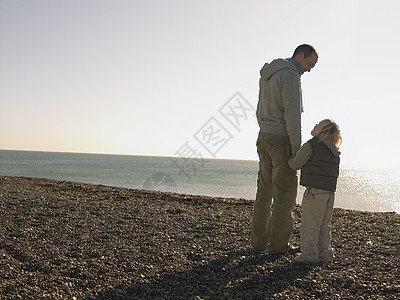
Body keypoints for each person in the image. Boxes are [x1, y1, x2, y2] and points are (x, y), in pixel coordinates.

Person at [251, 44, 318, 254]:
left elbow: (259, 107)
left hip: (263, 136)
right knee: (285, 193)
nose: (310, 69)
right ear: (300, 56)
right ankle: (278, 245)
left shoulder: (268, 74)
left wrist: (264, 128)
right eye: (309, 63)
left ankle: (258, 243)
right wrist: (296, 149)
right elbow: (292, 115)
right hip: (281, 139)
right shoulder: (290, 75)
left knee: (264, 192)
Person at [288, 119, 342, 263]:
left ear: (322, 131)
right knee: (324, 225)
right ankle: (325, 255)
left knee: (310, 224)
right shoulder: (334, 150)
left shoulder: (311, 144)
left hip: (314, 192)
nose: (315, 126)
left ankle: (309, 256)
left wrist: (290, 159)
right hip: (329, 192)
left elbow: (295, 165)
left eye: (318, 125)